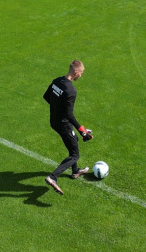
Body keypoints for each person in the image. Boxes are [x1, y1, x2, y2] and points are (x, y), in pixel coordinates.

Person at [43, 60, 93, 195]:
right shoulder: (71, 91)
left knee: (73, 140)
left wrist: (57, 110)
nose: (80, 76)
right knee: (75, 155)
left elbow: (46, 97)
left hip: (54, 121)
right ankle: (53, 177)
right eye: (81, 73)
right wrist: (83, 131)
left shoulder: (57, 81)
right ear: (76, 72)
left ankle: (75, 171)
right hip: (64, 124)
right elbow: (69, 115)